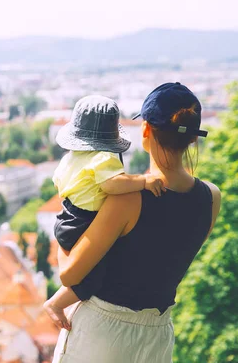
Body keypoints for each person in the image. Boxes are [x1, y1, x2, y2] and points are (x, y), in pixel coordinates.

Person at [45, 82, 221, 363]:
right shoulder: (211, 197)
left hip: (103, 332)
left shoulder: (128, 200)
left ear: (146, 130)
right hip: (158, 335)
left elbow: (69, 275)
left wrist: (68, 215)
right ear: (192, 138)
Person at [46, 95, 165, 330]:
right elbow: (112, 184)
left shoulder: (71, 157)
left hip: (66, 217)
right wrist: (143, 181)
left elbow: (58, 182)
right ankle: (56, 303)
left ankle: (63, 291)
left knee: (79, 266)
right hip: (85, 220)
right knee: (94, 275)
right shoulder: (104, 158)